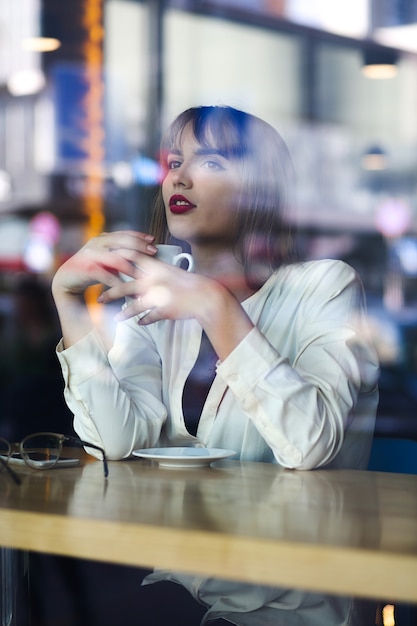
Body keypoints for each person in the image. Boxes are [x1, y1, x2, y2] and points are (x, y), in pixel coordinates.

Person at [51, 105, 379, 624]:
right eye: (174, 161)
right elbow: (115, 440)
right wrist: (68, 300)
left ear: (260, 189)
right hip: (182, 586)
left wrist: (214, 306)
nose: (177, 176)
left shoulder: (323, 285)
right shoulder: (160, 300)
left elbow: (312, 444)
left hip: (285, 605)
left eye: (211, 163)